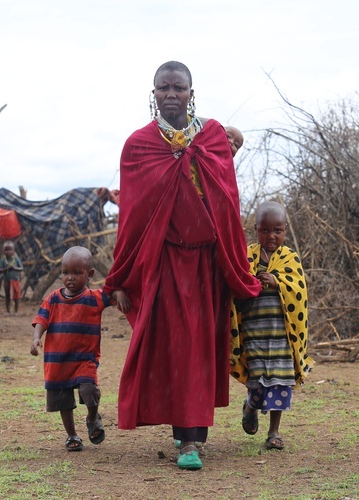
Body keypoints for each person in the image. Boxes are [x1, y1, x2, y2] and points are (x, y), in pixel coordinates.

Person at [103, 61, 261, 470]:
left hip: (208, 262)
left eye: (179, 88)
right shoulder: (139, 146)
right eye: (163, 88)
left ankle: (194, 433)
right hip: (166, 263)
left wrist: (233, 261)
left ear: (192, 93)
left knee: (203, 346)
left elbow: (226, 199)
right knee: (177, 348)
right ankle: (186, 439)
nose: (171, 94)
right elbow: (132, 219)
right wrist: (120, 277)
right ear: (152, 92)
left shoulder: (211, 137)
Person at [229, 201, 314, 450]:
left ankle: (274, 432)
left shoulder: (289, 258)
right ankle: (250, 406)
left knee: (280, 382)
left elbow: (299, 289)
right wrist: (252, 283)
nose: (271, 236)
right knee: (257, 381)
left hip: (281, 334)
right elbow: (236, 285)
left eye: (277, 230)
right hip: (254, 332)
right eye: (265, 230)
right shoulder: (246, 255)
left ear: (285, 230)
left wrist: (277, 282)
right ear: (255, 229)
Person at [30, 246, 113, 452]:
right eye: (66, 272)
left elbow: (114, 293)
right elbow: (41, 319)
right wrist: (36, 338)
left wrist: (120, 295)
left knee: (89, 390)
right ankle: (72, 435)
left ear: (90, 274)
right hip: (58, 361)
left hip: (84, 358)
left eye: (77, 273)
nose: (70, 278)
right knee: (63, 400)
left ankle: (92, 418)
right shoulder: (53, 298)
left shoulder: (95, 298)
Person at [0, 241, 23, 315]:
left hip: (15, 280)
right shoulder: (3, 260)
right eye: (6, 250)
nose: (8, 252)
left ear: (13, 251)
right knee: (7, 296)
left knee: (16, 297)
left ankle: (16, 311)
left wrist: (14, 268)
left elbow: (21, 268)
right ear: (3, 251)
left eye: (10, 249)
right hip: (6, 281)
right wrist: (7, 269)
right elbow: (0, 270)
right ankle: (8, 311)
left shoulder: (16, 259)